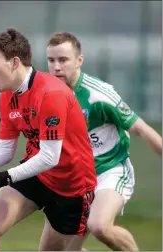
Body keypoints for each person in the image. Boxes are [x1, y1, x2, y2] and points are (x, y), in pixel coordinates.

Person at [0, 28, 97, 251]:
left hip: (72, 187)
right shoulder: (7, 96)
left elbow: (50, 157)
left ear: (14, 63)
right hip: (36, 175)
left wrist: (2, 177)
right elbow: (5, 149)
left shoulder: (52, 94)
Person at [46, 32, 162, 251]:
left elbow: (141, 128)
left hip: (110, 171)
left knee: (99, 226)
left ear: (79, 61)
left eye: (63, 60)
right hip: (74, 180)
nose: (56, 67)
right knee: (53, 249)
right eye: (51, 60)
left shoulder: (99, 95)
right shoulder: (48, 95)